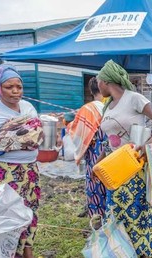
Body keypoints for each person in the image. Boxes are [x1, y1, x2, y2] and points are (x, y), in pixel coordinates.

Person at [96, 60, 152, 256]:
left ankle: (141, 251)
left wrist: (148, 145)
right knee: (116, 213)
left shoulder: (134, 98)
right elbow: (108, 139)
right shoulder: (108, 106)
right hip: (113, 169)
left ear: (106, 81)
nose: (97, 85)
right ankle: (120, 252)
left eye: (98, 81)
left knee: (136, 214)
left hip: (134, 167)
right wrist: (100, 161)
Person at [0, 65, 43, 258]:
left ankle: (28, 250)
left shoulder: (28, 107)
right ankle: (8, 252)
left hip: (30, 170)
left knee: (30, 210)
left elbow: (36, 136)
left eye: (19, 87)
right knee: (7, 213)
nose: (15, 91)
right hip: (4, 172)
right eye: (9, 87)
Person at [68, 77, 107, 218]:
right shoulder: (113, 105)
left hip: (95, 150)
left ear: (91, 91)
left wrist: (68, 125)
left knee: (95, 182)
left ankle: (97, 218)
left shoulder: (87, 108)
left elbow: (77, 131)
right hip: (112, 149)